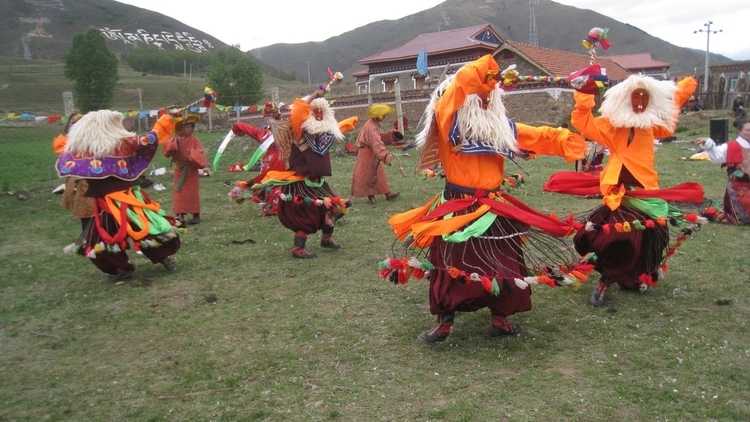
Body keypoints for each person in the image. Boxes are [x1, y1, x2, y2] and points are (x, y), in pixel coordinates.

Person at [382, 55, 588, 344]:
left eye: (489, 97)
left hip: (494, 207)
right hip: (457, 206)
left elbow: (540, 136)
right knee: (451, 262)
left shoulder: (501, 128)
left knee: (502, 262)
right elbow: (461, 86)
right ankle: (444, 322)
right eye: (479, 95)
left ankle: (500, 320)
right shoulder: (448, 120)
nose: (484, 100)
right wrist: (487, 73)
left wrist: (570, 141)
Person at [545, 74, 706, 307]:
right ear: (625, 99)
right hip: (618, 193)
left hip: (646, 191)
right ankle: (606, 278)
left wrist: (682, 89)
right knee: (619, 237)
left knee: (650, 237)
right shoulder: (612, 125)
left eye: (644, 96)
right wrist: (585, 96)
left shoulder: (652, 126)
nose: (640, 101)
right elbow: (583, 121)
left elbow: (670, 112)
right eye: (635, 96)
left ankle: (628, 277)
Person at [55, 110, 180, 281]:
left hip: (122, 198)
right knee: (134, 230)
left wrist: (168, 118)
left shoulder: (83, 149)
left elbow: (61, 147)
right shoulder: (118, 144)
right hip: (110, 202)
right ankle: (137, 264)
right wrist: (169, 118)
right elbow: (152, 137)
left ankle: (131, 266)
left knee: (133, 231)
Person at [253, 89, 357, 258]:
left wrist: (348, 123)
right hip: (301, 182)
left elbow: (335, 129)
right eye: (314, 112)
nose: (318, 115)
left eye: (321, 112)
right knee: (307, 214)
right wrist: (313, 97)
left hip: (317, 181)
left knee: (334, 208)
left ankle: (326, 239)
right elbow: (298, 111)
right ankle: (298, 249)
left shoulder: (321, 135)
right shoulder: (300, 129)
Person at [694, 118, 750, 225]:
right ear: (739, 131)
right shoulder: (732, 146)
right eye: (748, 130)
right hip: (738, 188)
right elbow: (717, 156)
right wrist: (708, 143)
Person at [350, 104, 403, 205]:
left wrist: (392, 135)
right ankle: (371, 197)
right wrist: (385, 156)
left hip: (371, 153)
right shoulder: (371, 127)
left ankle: (388, 194)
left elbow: (378, 138)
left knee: (379, 174)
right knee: (368, 175)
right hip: (367, 154)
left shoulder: (372, 124)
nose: (384, 117)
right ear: (379, 116)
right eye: (383, 115)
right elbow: (376, 143)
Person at [229, 121, 285, 215]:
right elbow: (249, 129)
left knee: (275, 182)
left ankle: (275, 207)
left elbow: (249, 129)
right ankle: (271, 207)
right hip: (273, 159)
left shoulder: (267, 132)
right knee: (268, 182)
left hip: (275, 159)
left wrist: (237, 127)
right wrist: (237, 126)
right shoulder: (280, 131)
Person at [53, 111, 94, 233]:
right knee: (85, 209)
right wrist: (70, 117)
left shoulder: (93, 139)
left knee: (92, 208)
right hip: (79, 179)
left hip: (91, 176)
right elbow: (66, 131)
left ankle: (93, 235)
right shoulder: (73, 141)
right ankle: (88, 237)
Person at [162, 114, 207, 225]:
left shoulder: (196, 141)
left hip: (191, 171)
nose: (187, 129)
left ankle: (196, 214)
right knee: (179, 193)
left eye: (189, 127)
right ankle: (180, 214)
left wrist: (192, 153)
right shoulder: (175, 140)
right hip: (179, 170)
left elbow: (200, 155)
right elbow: (167, 151)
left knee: (192, 194)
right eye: (184, 127)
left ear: (192, 128)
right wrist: (175, 143)